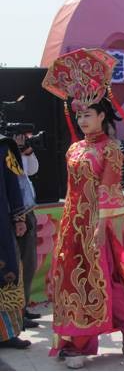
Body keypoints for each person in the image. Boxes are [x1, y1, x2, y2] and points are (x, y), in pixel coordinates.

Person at [42, 51, 124, 369]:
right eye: (79, 114)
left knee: (97, 280)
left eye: (88, 114)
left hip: (96, 224)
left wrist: (100, 228)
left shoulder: (110, 149)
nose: (82, 120)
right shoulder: (75, 148)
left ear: (102, 115)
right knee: (76, 280)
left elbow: (108, 190)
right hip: (73, 223)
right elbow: (72, 189)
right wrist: (68, 221)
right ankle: (84, 335)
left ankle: (82, 343)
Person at [0, 134, 31, 349]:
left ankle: (6, 334)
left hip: (1, 224)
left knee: (6, 273)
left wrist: (20, 217)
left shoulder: (3, 147)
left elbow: (15, 183)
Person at [13, 134, 40, 328]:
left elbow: (32, 170)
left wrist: (26, 151)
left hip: (27, 208)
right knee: (14, 263)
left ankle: (22, 308)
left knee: (29, 261)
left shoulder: (15, 148)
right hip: (12, 210)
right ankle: (14, 313)